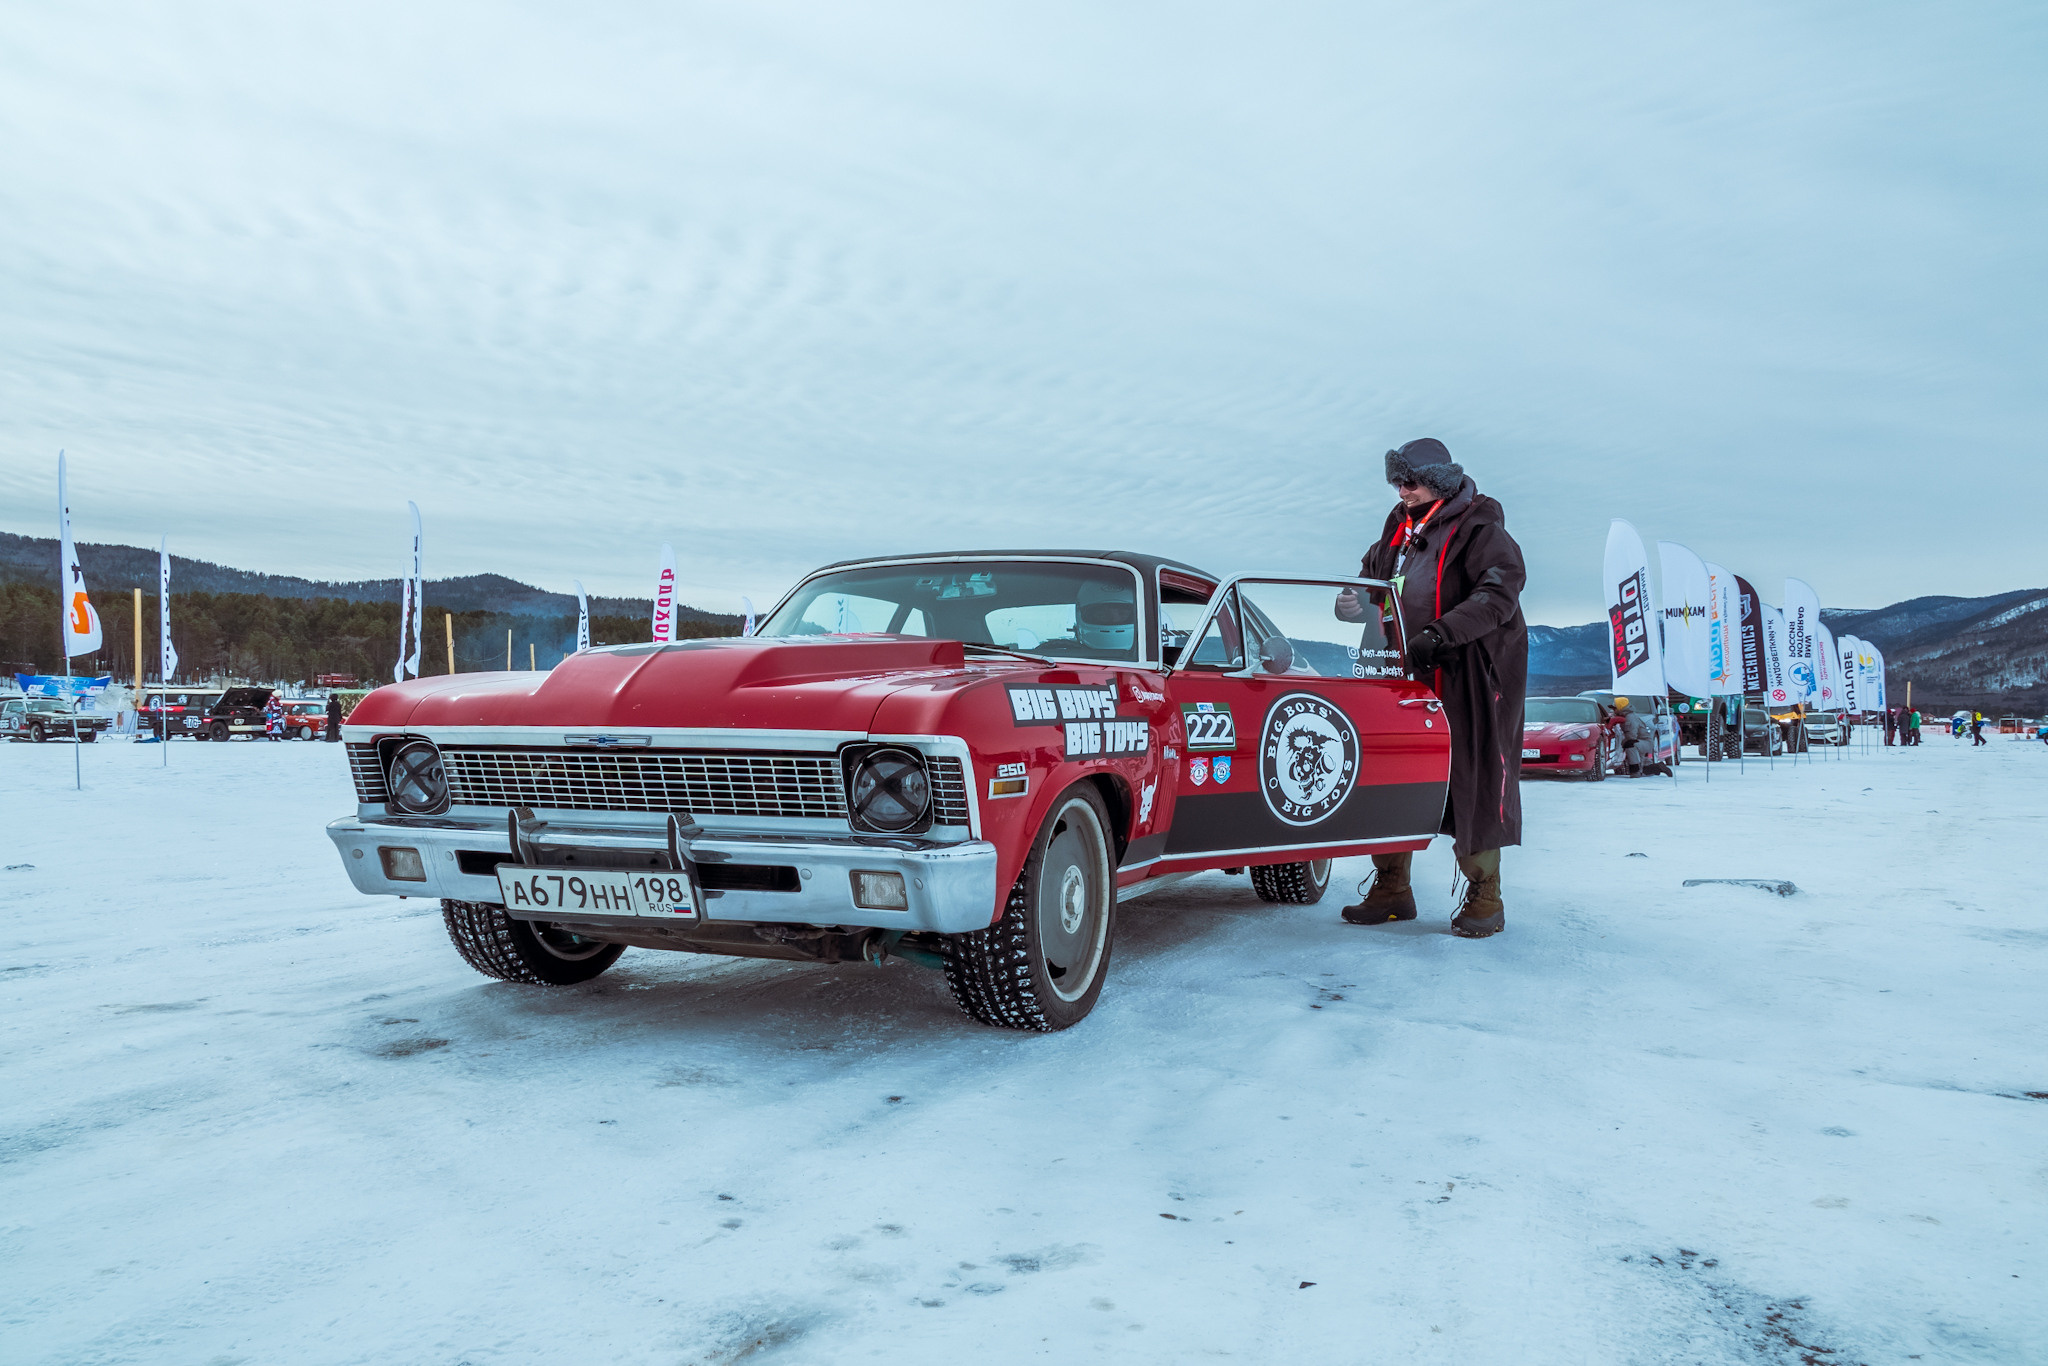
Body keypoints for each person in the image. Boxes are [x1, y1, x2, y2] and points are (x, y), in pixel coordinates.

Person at [1335, 438, 1527, 939]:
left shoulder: (1480, 526)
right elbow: (1368, 581)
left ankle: (1486, 895)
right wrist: (1353, 601)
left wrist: (1440, 634)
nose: (1402, 489)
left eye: (1411, 480)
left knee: (1470, 781)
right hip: (1397, 678)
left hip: (1464, 680)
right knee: (1393, 775)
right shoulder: (1397, 528)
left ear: (1438, 480)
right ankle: (1392, 886)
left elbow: (1499, 593)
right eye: (1396, 481)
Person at [1612, 697, 1657, 777]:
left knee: (1630, 745)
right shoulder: (1626, 716)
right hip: (1642, 742)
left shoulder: (1630, 718)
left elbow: (1631, 736)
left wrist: (1623, 743)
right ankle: (1659, 767)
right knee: (1645, 769)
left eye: (1614, 708)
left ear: (1620, 707)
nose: (1613, 710)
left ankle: (1635, 770)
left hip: (1644, 742)